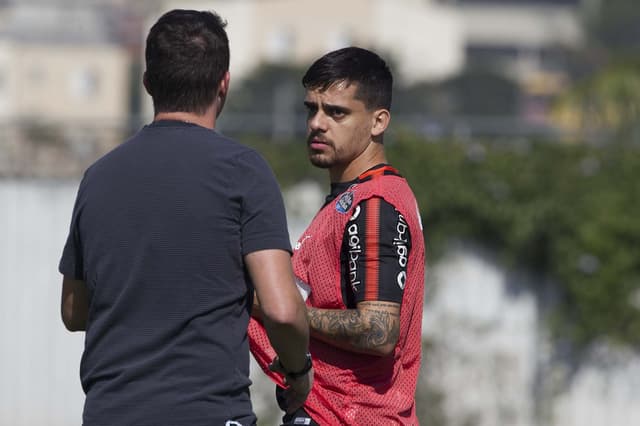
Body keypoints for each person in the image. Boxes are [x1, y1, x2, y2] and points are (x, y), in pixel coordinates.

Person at [59, 9, 312, 426]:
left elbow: (73, 311)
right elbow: (282, 310)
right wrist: (299, 374)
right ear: (223, 84)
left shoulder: (98, 177)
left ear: (148, 84)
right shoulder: (244, 172)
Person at [248, 47, 425, 425]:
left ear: (378, 121)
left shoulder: (375, 204)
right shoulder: (351, 198)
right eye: (312, 109)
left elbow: (378, 331)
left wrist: (272, 307)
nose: (317, 123)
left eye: (336, 112)